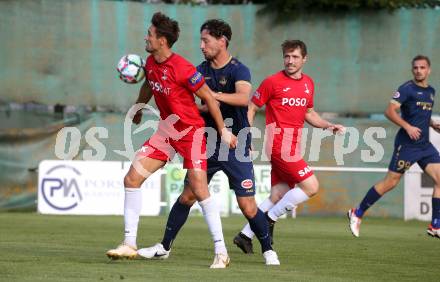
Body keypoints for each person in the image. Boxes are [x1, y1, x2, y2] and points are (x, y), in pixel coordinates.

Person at [136, 19, 280, 266]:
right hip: (205, 143)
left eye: (206, 40)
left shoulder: (238, 70)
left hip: (235, 145)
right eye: (200, 40)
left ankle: (268, 250)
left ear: (222, 41)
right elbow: (189, 103)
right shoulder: (198, 70)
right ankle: (164, 246)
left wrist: (212, 96)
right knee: (187, 197)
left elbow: (244, 97)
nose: (201, 45)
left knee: (247, 205)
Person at [106, 12, 237, 269]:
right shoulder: (151, 64)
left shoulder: (184, 69)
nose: (146, 38)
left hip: (192, 133)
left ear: (162, 40)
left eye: (150, 34)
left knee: (199, 189)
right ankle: (129, 243)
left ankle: (221, 251)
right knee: (131, 179)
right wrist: (139, 108)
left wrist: (223, 131)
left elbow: (209, 99)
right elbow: (148, 85)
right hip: (166, 133)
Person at [233, 40, 345, 253]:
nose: (290, 61)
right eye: (287, 56)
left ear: (305, 59)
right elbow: (251, 108)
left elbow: (309, 113)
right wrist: (246, 137)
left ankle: (245, 235)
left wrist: (328, 125)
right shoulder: (272, 82)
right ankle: (268, 219)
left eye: (294, 57)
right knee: (311, 186)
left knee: (278, 193)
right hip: (278, 145)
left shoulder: (308, 84)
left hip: (294, 146)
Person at [348, 55, 440, 238]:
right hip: (407, 145)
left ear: (429, 70)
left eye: (422, 67)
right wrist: (407, 126)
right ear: (412, 70)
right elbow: (389, 111)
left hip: (424, 145)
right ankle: (357, 212)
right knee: (390, 182)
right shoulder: (406, 89)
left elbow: (419, 114)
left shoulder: (431, 91)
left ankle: (435, 225)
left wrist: (431, 123)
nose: (419, 71)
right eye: (416, 68)